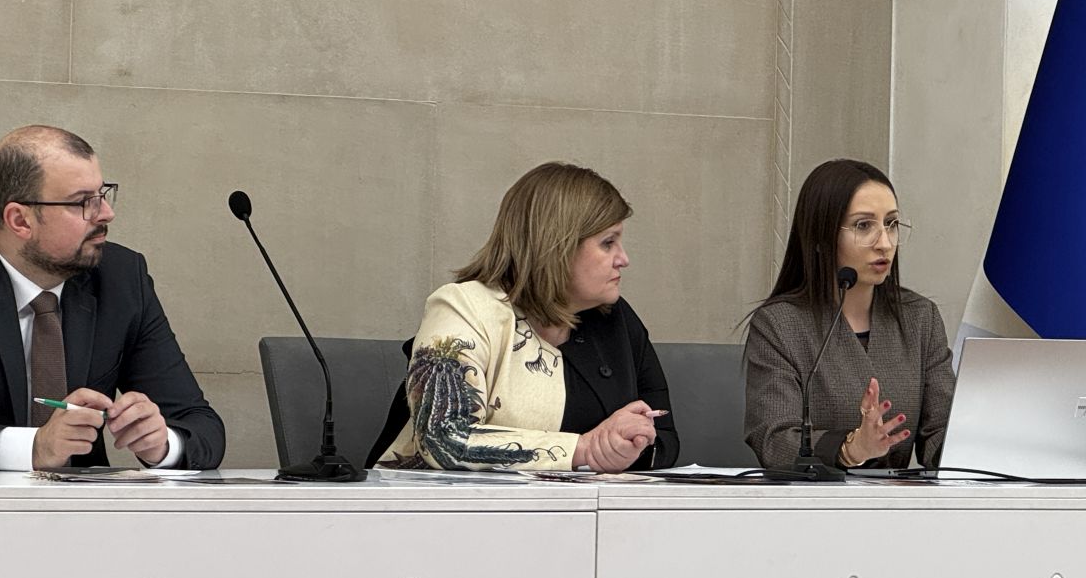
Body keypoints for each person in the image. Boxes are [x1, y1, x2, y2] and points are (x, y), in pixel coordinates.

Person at [0, 125, 225, 471]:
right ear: (20, 220)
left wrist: (163, 442)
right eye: (83, 202)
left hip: (85, 504)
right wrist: (32, 448)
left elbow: (202, 427)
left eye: (103, 194)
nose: (106, 213)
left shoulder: (121, 277)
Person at [376, 161, 677, 472]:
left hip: (572, 502)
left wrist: (629, 444)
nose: (623, 259)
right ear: (557, 245)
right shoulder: (464, 307)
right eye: (608, 243)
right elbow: (443, 438)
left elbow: (664, 435)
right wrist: (584, 449)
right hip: (436, 501)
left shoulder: (617, 319)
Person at [744, 159, 954, 471]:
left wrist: (990, 441)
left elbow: (941, 436)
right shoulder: (780, 324)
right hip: (817, 497)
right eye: (863, 226)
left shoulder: (920, 318)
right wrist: (850, 449)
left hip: (899, 498)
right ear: (820, 237)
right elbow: (773, 439)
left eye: (892, 224)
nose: (884, 243)